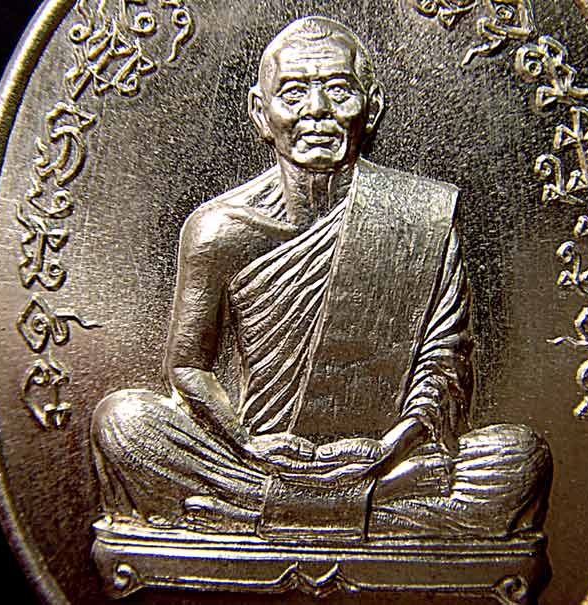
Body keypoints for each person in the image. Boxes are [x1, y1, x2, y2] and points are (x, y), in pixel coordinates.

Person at [91, 16, 551, 541]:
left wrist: (393, 445)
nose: (316, 110)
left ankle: (252, 513)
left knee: (518, 455)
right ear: (260, 113)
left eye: (338, 90)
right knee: (123, 422)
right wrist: (247, 443)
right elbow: (188, 367)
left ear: (371, 107)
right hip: (255, 457)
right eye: (293, 93)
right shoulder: (219, 229)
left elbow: (445, 361)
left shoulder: (420, 215)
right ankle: (357, 511)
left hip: (385, 460)